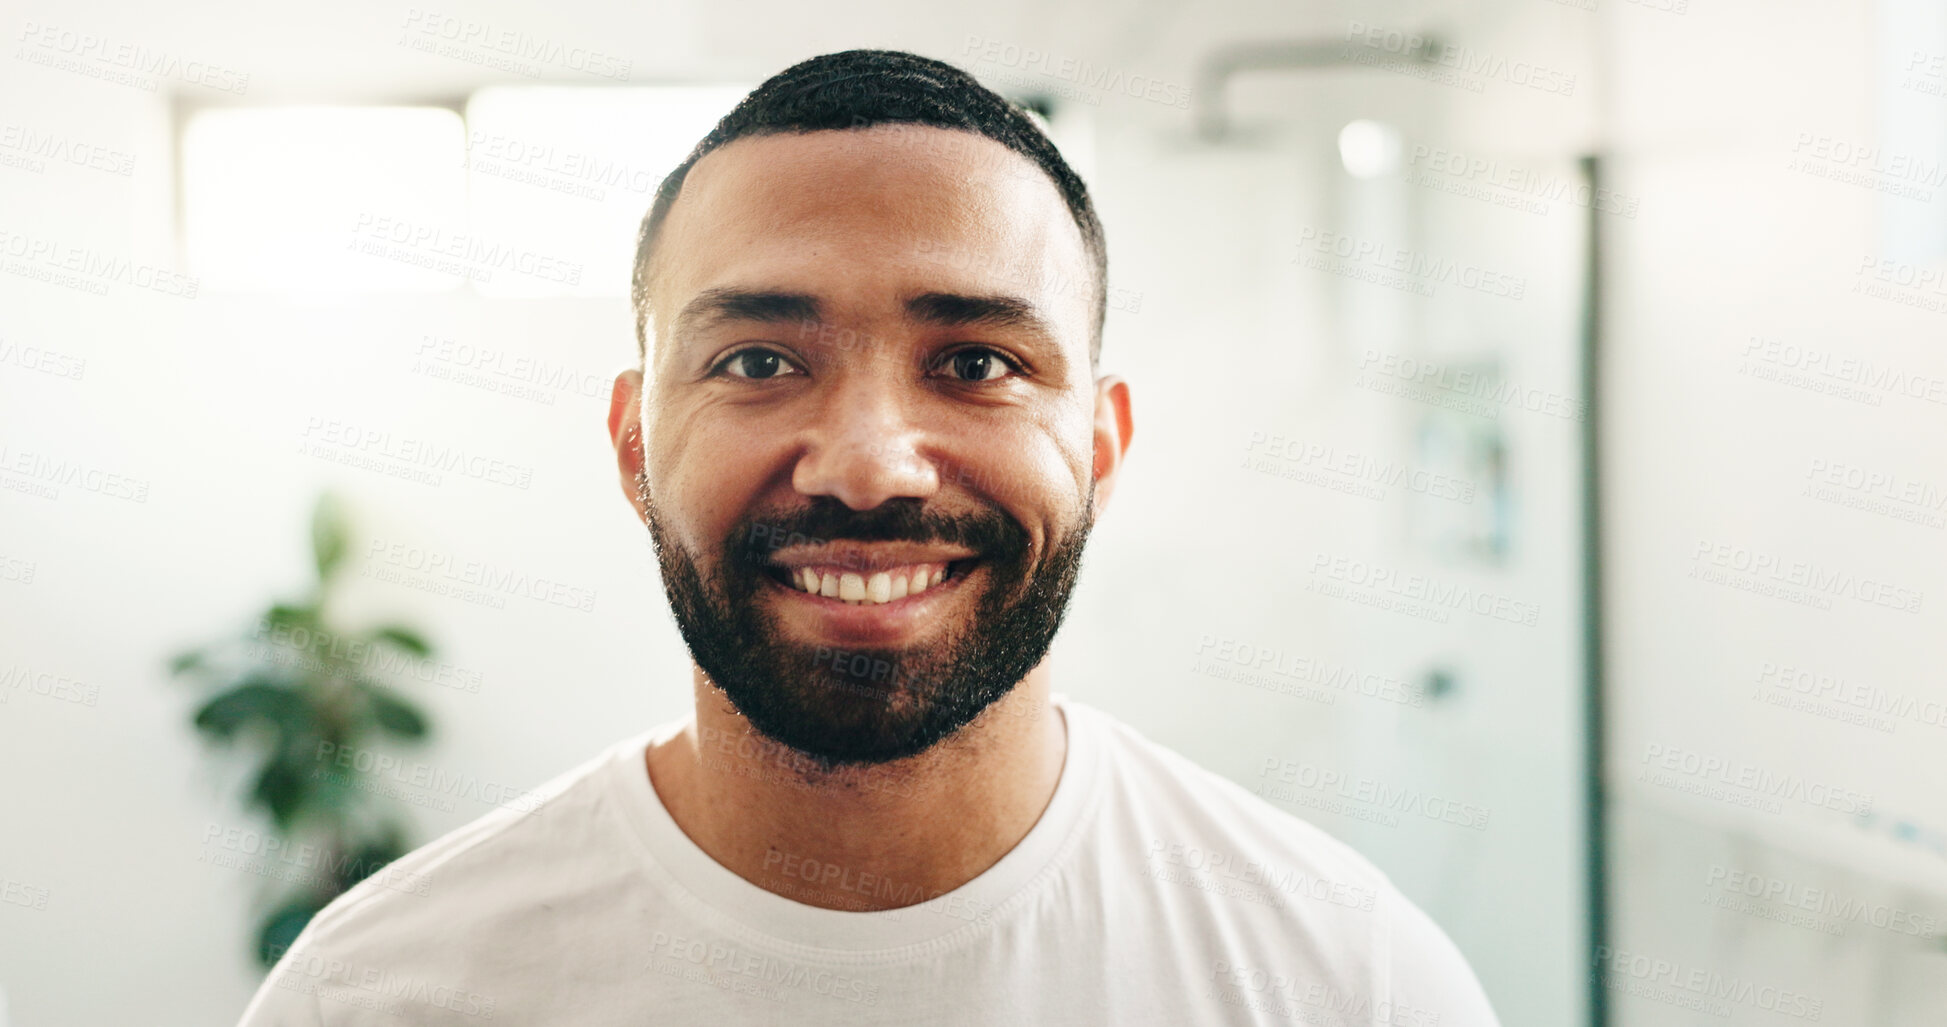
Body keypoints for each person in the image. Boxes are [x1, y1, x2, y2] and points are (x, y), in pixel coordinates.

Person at [239, 48, 1500, 1025]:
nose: (866, 464)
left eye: (976, 361)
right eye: (757, 359)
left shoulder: (1348, 979)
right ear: (633, 443)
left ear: (1102, 449)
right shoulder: (381, 996)